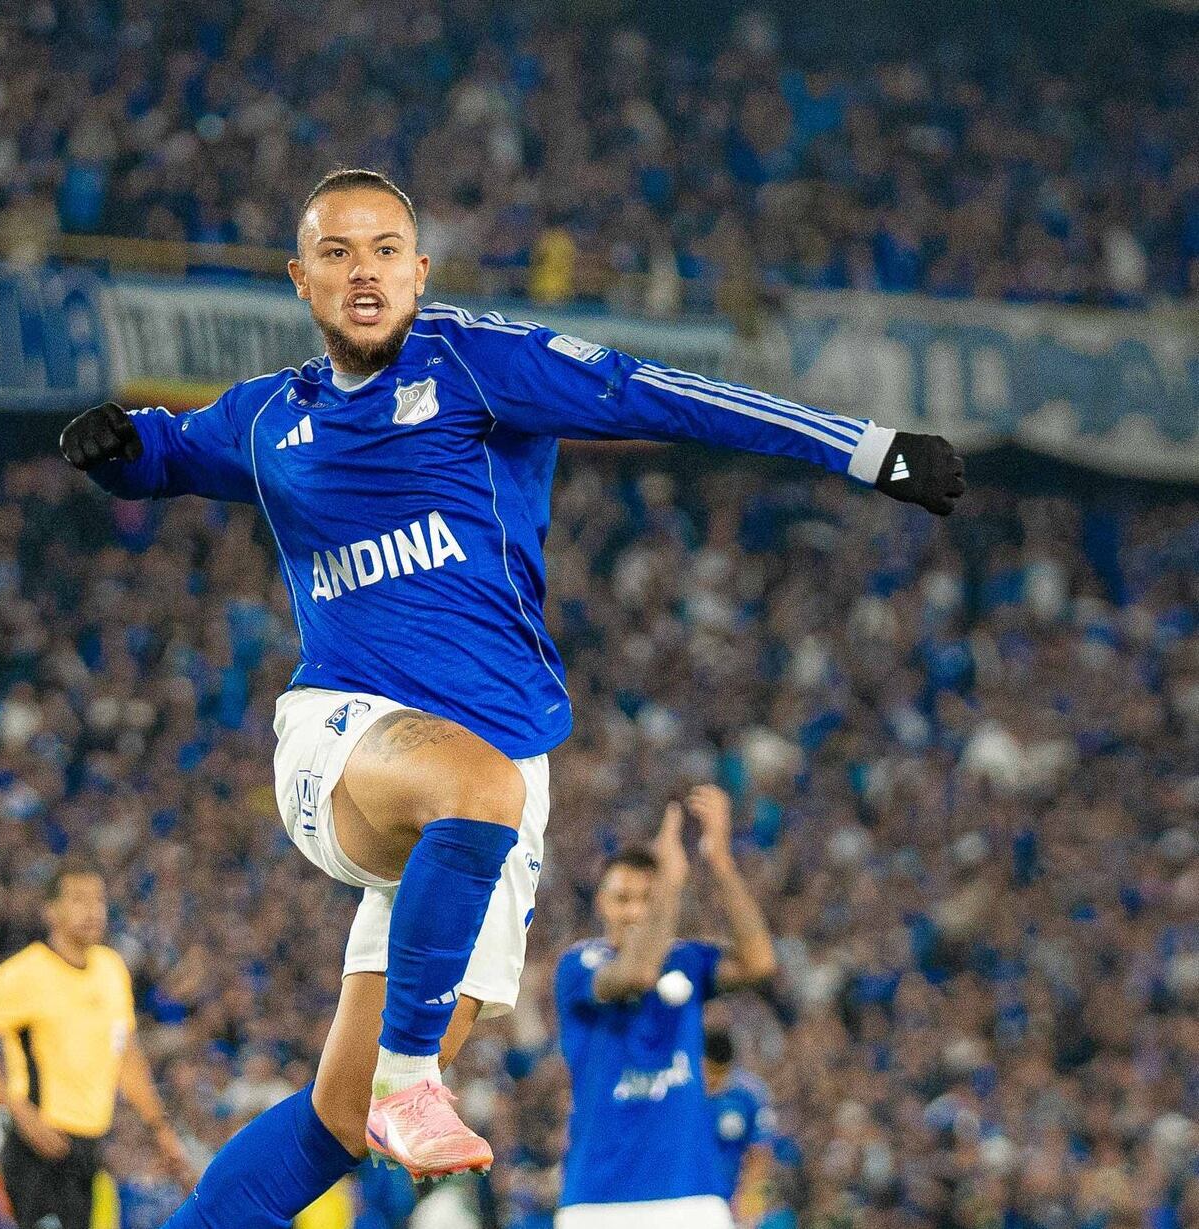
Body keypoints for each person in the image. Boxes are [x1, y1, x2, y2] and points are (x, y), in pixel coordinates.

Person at [58, 168, 964, 1225]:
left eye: (385, 251)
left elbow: (662, 395)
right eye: (338, 253)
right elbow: (168, 453)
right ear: (301, 280)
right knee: (471, 804)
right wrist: (116, 449)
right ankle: (412, 1079)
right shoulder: (272, 417)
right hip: (345, 740)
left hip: (494, 790)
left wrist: (864, 448)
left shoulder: (481, 365)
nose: (365, 272)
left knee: (338, 1119)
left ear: (419, 270)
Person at [553, 786, 776, 1228]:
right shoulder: (580, 965)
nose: (635, 912)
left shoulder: (687, 961)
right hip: (598, 1202)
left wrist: (720, 863)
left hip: (692, 1196)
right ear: (601, 903)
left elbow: (759, 961)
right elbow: (636, 974)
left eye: (646, 899)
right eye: (622, 899)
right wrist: (669, 884)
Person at [0, 858, 192, 1229]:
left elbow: (126, 1058)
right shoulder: (26, 972)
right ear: (51, 911)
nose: (92, 911)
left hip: (88, 1147)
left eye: (98, 900)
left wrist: (161, 1129)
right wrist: (22, 1114)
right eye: (78, 900)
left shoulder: (111, 970)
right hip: (39, 1146)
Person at [702, 1028, 776, 1227]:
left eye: (720, 1073)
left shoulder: (749, 1095)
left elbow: (760, 1153)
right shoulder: (682, 1091)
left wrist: (750, 1200)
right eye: (708, 1071)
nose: (712, 1080)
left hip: (729, 1201)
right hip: (686, 1194)